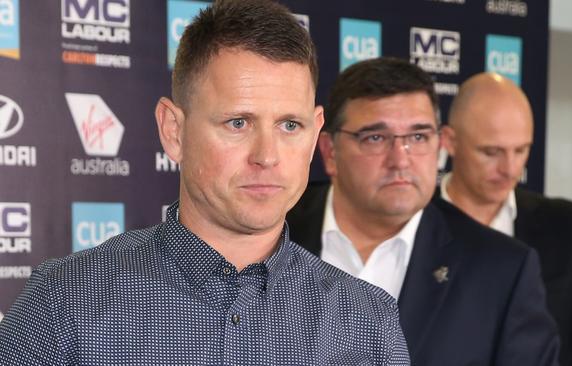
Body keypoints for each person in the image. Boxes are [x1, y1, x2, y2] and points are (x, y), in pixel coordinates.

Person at [0, 1, 410, 364]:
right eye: (238, 122)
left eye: (290, 125)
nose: (267, 155)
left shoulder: (368, 323)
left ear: (315, 131)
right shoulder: (64, 302)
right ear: (174, 131)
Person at [287, 57, 560, 365]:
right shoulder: (268, 235)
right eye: (376, 138)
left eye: (418, 137)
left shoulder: (503, 271)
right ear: (329, 151)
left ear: (440, 144)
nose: (401, 160)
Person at [438, 72, 572, 366]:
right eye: (491, 152)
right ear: (450, 141)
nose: (510, 168)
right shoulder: (411, 223)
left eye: (521, 150)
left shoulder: (569, 228)